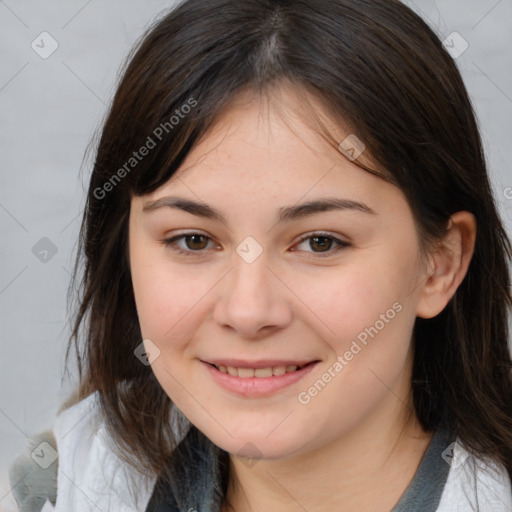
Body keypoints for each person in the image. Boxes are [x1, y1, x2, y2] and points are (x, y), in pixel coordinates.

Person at [9, 0, 512, 510]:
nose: (248, 312)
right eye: (193, 240)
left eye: (320, 242)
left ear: (440, 265)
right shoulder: (54, 485)